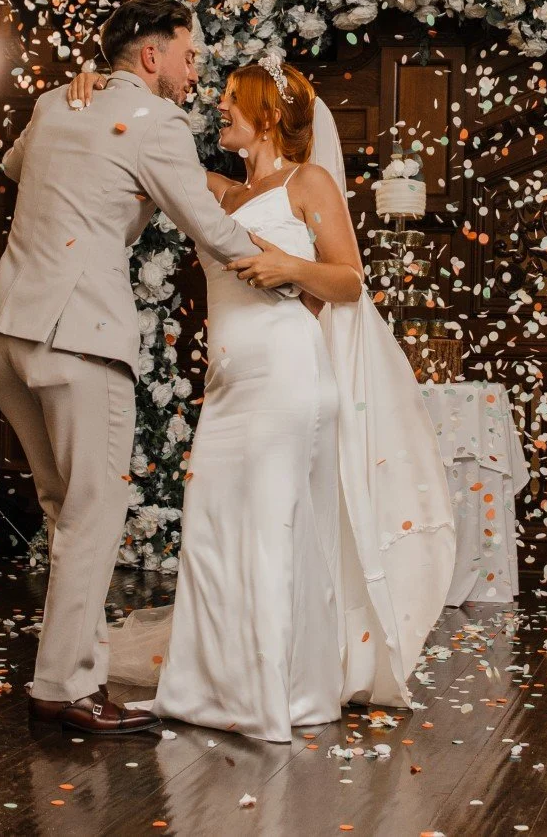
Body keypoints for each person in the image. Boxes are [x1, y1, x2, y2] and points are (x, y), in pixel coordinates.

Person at [68, 57, 456, 743]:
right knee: (213, 528)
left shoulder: (309, 183)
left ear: (267, 114)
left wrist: (289, 266)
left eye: (230, 102)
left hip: (290, 382)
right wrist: (96, 86)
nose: (219, 110)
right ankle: (203, 689)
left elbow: (348, 281)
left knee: (272, 530)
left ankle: (277, 697)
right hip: (228, 390)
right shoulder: (215, 191)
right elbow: (140, 150)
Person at [0, 0, 295, 735]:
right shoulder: (158, 123)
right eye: (189, 52)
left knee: (64, 508)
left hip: (3, 330)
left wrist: (85, 92)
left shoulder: (57, 102)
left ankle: (64, 678)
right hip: (76, 337)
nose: (195, 68)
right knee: (94, 510)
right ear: (151, 56)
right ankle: (67, 690)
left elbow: (17, 165)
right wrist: (287, 270)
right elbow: (207, 225)